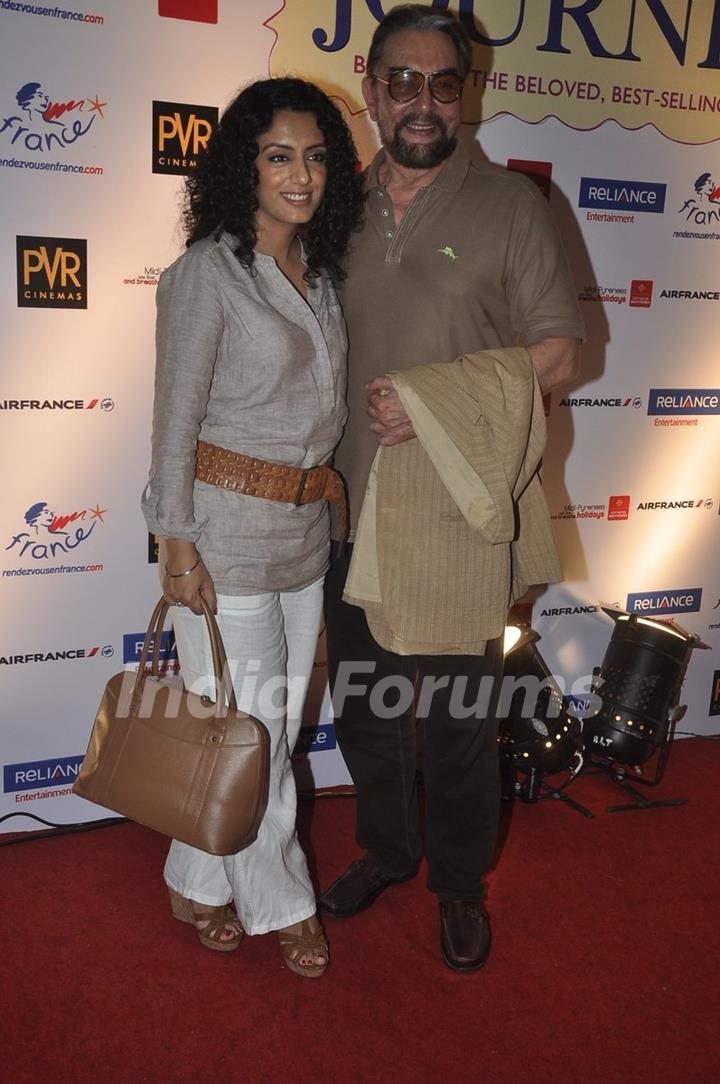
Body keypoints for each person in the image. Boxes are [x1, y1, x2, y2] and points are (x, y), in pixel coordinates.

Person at [320, 5, 583, 972]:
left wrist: (432, 404)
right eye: (402, 82)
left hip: (459, 515)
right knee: (366, 707)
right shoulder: (335, 203)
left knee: (461, 722)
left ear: (464, 92)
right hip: (347, 506)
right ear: (370, 84)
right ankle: (387, 850)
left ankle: (461, 885)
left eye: (443, 83)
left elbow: (558, 349)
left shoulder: (513, 206)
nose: (422, 102)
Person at [142, 77, 363, 978]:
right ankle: (284, 903)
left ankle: (194, 874)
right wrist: (175, 543)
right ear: (246, 166)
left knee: (253, 728)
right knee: (259, 736)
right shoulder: (207, 274)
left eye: (315, 156)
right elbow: (174, 420)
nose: (300, 174)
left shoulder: (319, 274)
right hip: (221, 540)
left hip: (301, 538)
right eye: (279, 155)